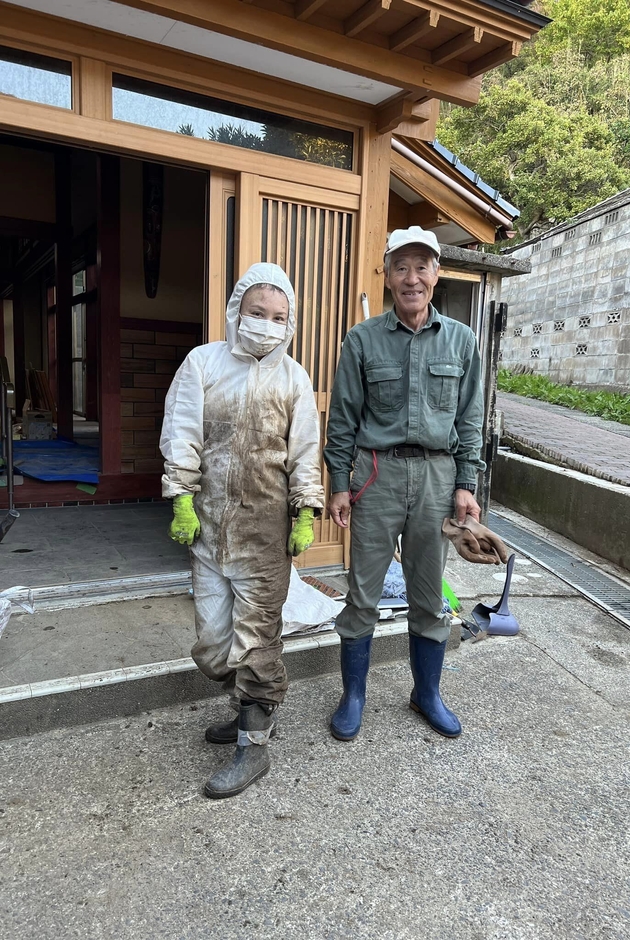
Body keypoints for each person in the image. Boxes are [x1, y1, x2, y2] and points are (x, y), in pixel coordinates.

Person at [160, 262, 324, 799]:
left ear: (290, 322)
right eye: (257, 313)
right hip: (209, 528)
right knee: (212, 644)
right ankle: (246, 709)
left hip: (265, 532)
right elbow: (182, 430)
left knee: (257, 640)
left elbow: (303, 452)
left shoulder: (294, 378)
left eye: (278, 317)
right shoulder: (203, 362)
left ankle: (254, 743)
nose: (266, 324)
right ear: (236, 312)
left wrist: (305, 510)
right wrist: (182, 498)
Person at [324, 226, 487, 742]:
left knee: (427, 594)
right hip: (376, 474)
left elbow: (471, 418)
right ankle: (353, 695)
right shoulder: (362, 339)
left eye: (423, 266)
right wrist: (337, 483)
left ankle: (428, 693)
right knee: (363, 594)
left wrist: (466, 481)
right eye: (401, 267)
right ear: (388, 275)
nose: (411, 278)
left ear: (437, 274)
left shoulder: (462, 341)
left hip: (438, 478)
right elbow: (343, 417)